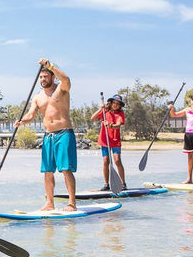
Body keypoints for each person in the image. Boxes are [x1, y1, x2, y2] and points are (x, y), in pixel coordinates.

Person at [15, 58, 77, 211]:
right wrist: (21, 121)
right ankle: (50, 203)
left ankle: (72, 203)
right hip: (48, 136)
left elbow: (66, 79)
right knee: (47, 171)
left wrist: (50, 65)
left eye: (45, 76)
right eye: (41, 77)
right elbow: (31, 115)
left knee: (65, 169)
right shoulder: (37, 97)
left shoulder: (62, 89)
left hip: (64, 134)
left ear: (52, 77)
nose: (42, 79)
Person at [90, 94, 127, 191]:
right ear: (110, 103)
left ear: (120, 106)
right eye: (114, 103)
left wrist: (110, 125)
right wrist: (100, 108)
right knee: (106, 161)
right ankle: (106, 184)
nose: (115, 105)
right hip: (104, 140)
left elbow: (118, 125)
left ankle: (123, 184)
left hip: (115, 140)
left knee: (117, 160)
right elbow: (92, 118)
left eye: (117, 104)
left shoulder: (120, 114)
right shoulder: (104, 111)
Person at [169, 93, 193, 185]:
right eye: (192, 99)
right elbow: (174, 115)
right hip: (188, 134)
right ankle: (189, 178)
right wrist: (171, 109)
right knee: (190, 157)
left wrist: (190, 109)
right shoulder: (187, 110)